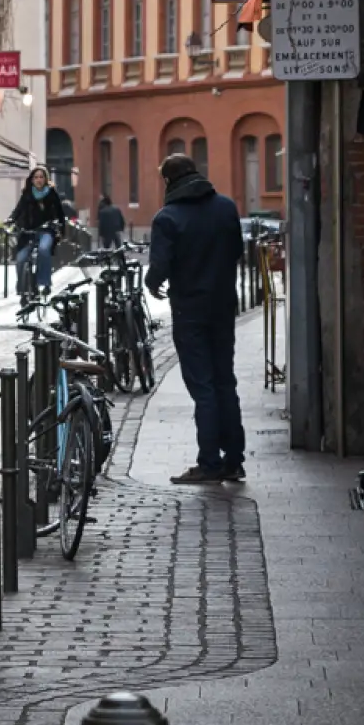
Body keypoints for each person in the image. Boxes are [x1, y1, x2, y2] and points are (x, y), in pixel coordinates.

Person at [145, 153, 247, 484]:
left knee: (202, 385)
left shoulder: (167, 218)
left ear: (168, 181)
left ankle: (209, 463)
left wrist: (152, 283)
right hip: (222, 305)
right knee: (224, 380)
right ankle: (233, 459)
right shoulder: (226, 207)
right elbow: (237, 252)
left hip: (190, 309)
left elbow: (159, 268)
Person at [9, 167, 68, 294]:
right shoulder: (27, 193)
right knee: (20, 259)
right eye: (36, 177)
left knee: (43, 249)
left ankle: (45, 282)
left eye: (41, 177)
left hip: (46, 230)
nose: (39, 180)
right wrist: (11, 219)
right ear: (32, 180)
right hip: (28, 232)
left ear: (46, 179)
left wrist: (61, 230)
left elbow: (60, 213)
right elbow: (18, 210)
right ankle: (22, 286)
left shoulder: (52, 193)